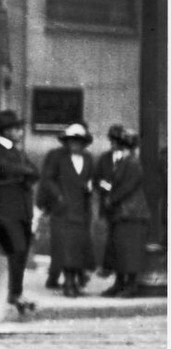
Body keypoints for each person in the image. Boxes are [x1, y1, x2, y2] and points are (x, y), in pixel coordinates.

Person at [0, 109, 40, 315]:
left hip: (23, 207)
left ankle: (16, 292)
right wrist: (24, 173)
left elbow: (35, 171)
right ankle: (13, 292)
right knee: (16, 249)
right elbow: (8, 168)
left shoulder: (18, 151)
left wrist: (23, 173)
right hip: (7, 207)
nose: (20, 132)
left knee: (23, 250)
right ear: (6, 131)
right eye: (16, 129)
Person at [37, 123, 95, 298]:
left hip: (80, 209)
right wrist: (58, 197)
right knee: (65, 246)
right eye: (71, 141)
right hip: (63, 209)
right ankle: (68, 282)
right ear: (66, 142)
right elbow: (48, 179)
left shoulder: (88, 159)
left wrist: (89, 187)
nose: (75, 145)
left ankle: (76, 281)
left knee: (78, 246)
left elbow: (90, 179)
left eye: (79, 141)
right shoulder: (58, 158)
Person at [100, 129, 150, 298]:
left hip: (131, 213)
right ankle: (119, 282)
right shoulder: (124, 161)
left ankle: (130, 284)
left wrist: (111, 199)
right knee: (119, 250)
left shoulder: (132, 162)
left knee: (129, 251)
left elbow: (128, 186)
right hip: (123, 213)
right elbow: (114, 183)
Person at [93, 124, 126, 282]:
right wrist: (104, 186)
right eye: (112, 140)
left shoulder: (127, 159)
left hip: (122, 205)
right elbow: (97, 179)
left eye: (117, 141)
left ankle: (114, 267)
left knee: (119, 236)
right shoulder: (105, 158)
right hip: (107, 203)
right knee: (110, 234)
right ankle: (107, 266)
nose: (114, 144)